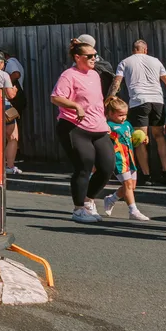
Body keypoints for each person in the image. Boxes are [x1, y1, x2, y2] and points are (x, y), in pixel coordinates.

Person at [50, 41, 114, 224]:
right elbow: (56, 97)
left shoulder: (94, 74)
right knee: (84, 166)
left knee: (107, 166)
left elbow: (96, 101)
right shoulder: (69, 75)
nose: (94, 58)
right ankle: (78, 209)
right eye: (90, 56)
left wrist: (104, 121)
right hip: (74, 126)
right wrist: (76, 105)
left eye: (95, 55)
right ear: (78, 58)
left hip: (99, 127)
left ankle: (88, 200)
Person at [109, 39, 166, 184]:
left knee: (140, 138)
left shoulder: (125, 62)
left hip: (139, 101)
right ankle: (165, 171)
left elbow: (117, 82)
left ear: (133, 50)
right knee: (160, 136)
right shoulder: (155, 61)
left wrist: (111, 97)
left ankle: (146, 175)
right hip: (157, 101)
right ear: (145, 49)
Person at [101, 98, 150, 221]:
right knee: (127, 184)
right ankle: (133, 210)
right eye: (120, 115)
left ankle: (111, 199)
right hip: (118, 159)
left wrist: (142, 138)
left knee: (131, 187)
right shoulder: (108, 126)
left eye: (125, 114)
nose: (123, 117)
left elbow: (132, 137)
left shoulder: (127, 124)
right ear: (111, 114)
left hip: (130, 158)